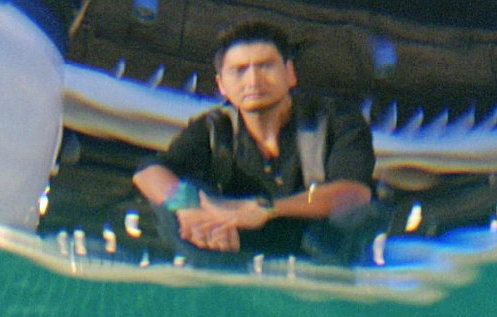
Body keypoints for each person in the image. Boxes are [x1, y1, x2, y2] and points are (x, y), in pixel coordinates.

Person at [133, 20, 382, 267]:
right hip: (235, 241)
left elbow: (353, 193)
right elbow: (148, 172)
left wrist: (267, 209)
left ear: (290, 73)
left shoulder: (336, 120)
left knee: (352, 214)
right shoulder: (214, 127)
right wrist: (186, 207)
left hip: (317, 244)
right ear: (221, 85)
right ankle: (220, 278)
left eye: (265, 66)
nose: (253, 80)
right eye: (239, 70)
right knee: (177, 200)